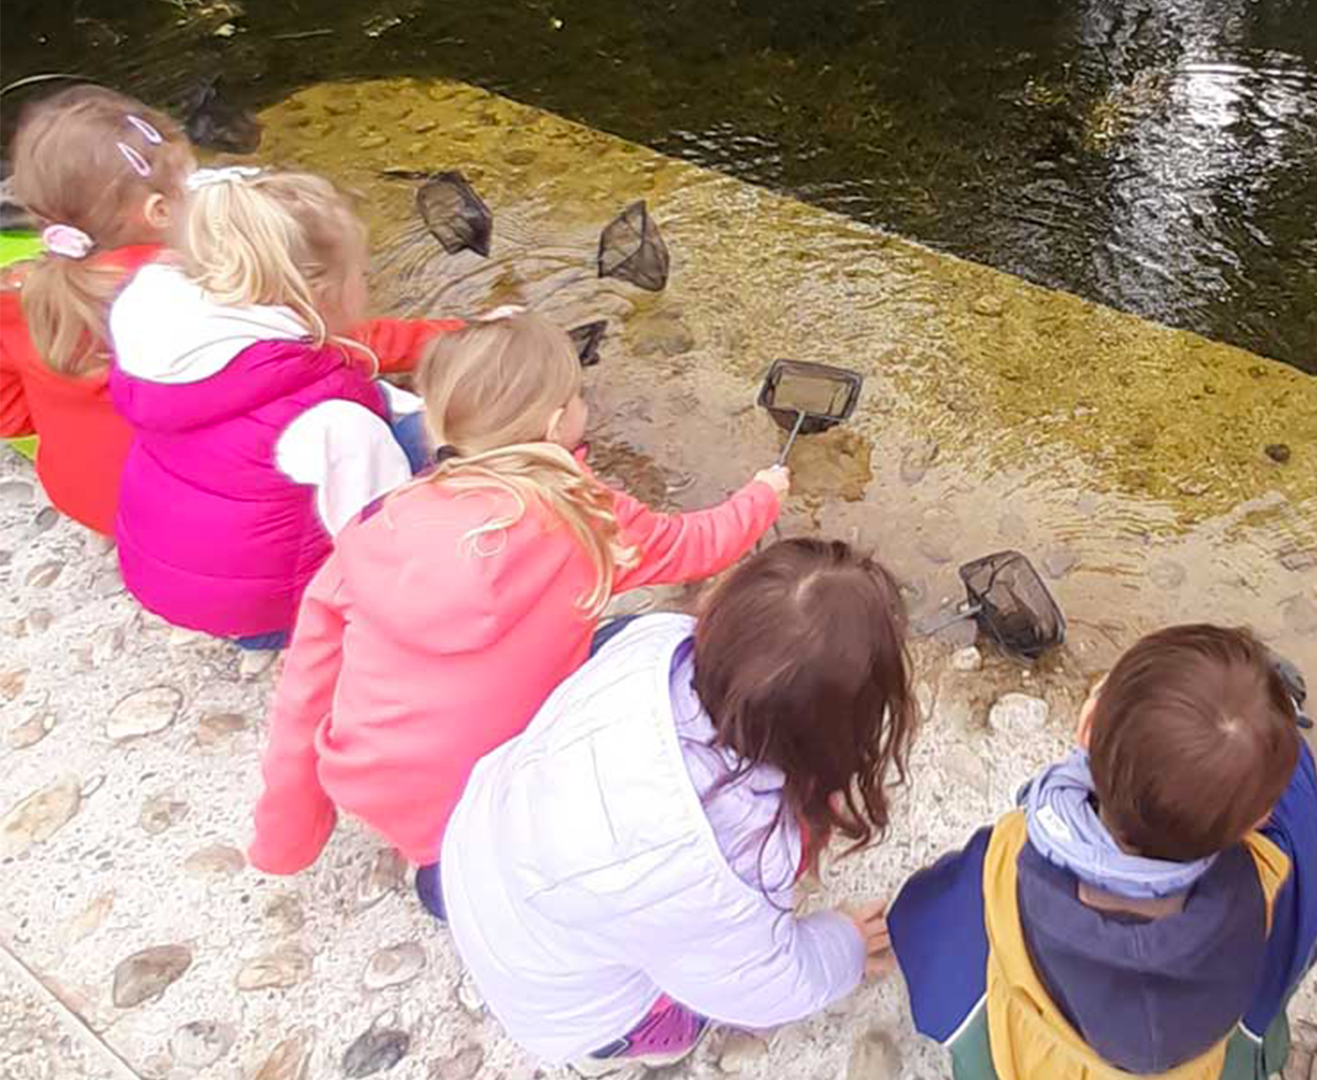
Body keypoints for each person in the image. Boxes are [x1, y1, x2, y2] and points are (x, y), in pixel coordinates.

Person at [248, 312, 788, 911]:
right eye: (577, 395)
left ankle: (447, 862)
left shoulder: (377, 524)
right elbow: (698, 545)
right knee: (655, 638)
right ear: (559, 422)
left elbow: (306, 687)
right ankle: (477, 882)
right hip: (495, 789)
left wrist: (287, 834)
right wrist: (764, 494)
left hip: (380, 783)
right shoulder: (581, 517)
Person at [437, 538, 914, 1069]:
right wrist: (844, 944)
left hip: (477, 851)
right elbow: (763, 986)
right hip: (566, 1009)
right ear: (836, 733)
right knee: (684, 1012)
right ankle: (608, 1053)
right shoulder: (731, 859)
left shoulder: (652, 644)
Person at [890, 624, 1317, 1080]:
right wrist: (1272, 733)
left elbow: (924, 924)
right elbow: (1309, 907)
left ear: (1085, 727)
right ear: (1258, 819)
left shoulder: (1005, 857)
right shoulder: (1271, 881)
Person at [108, 168, 456, 644]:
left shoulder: (157, 334)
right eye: (362, 275)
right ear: (322, 294)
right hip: (270, 617)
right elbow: (379, 544)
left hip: (168, 582)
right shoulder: (334, 419)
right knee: (436, 434)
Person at [0, 86, 193, 533]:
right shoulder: (186, 289)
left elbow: (8, 412)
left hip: (85, 500)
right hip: (179, 511)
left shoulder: (20, 293)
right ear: (159, 211)